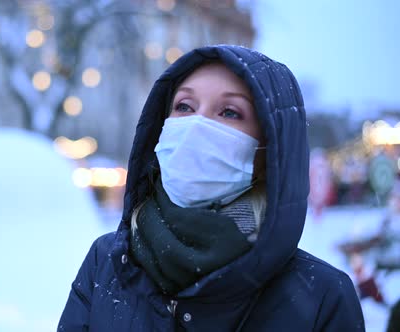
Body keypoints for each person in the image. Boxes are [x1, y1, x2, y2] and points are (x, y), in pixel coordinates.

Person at [58, 45, 364, 331]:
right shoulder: (108, 262)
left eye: (229, 112)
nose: (196, 126)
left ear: (269, 151)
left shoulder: (322, 297)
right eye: (185, 106)